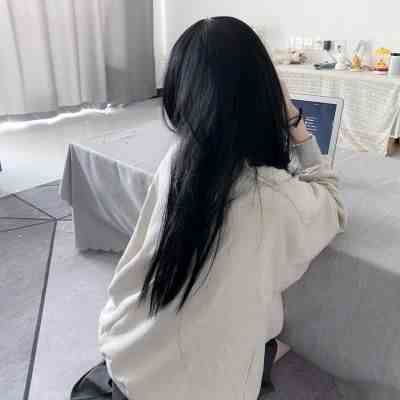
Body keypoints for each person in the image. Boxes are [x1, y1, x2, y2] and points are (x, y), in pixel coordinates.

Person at [71, 16, 346, 400]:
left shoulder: (176, 161)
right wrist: (293, 119)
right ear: (265, 93)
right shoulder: (273, 196)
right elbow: (331, 201)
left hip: (126, 358)